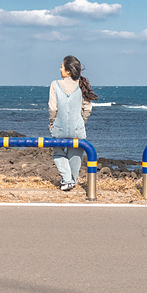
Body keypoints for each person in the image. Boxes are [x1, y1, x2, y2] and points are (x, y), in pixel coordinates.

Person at [48, 55, 98, 191]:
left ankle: (67, 179)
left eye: (62, 66)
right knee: (75, 155)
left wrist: (52, 122)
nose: (60, 69)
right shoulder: (82, 85)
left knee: (58, 153)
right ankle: (72, 182)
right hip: (77, 128)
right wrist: (82, 122)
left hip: (59, 127)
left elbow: (52, 108)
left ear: (68, 71)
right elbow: (87, 108)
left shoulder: (55, 84)